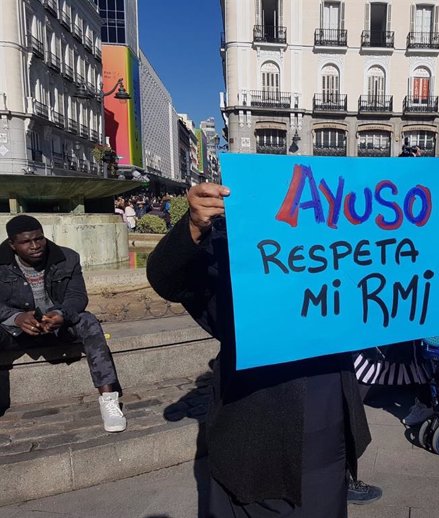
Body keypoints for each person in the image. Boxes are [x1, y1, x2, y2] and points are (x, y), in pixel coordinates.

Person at [146, 184, 375, 517]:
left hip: (327, 421)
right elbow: (167, 278)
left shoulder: (335, 250)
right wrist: (194, 226)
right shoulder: (232, 251)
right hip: (256, 422)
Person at [0, 216, 126, 432]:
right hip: (15, 331)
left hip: (57, 326)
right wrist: (16, 318)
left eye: (39, 238)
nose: (35, 246)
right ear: (12, 244)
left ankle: (108, 400)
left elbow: (77, 297)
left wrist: (60, 314)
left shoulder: (67, 257)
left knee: (88, 320)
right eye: (26, 242)